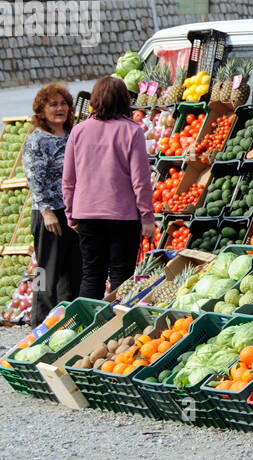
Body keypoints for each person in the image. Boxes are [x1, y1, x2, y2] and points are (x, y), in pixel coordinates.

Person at [62, 76, 156, 300]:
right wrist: (147, 218)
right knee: (121, 277)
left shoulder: (79, 131)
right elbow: (140, 180)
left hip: (86, 214)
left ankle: (87, 327)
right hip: (122, 217)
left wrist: (70, 213)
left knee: (91, 275)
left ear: (95, 100)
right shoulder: (132, 132)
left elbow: (68, 179)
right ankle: (114, 327)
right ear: (125, 101)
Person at [22, 84, 83, 326]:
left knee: (72, 269)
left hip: (72, 210)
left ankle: (68, 321)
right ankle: (39, 322)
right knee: (46, 272)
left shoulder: (72, 135)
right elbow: (34, 179)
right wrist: (47, 211)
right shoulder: (37, 140)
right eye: (53, 105)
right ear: (42, 110)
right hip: (49, 213)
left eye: (63, 104)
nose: (60, 109)